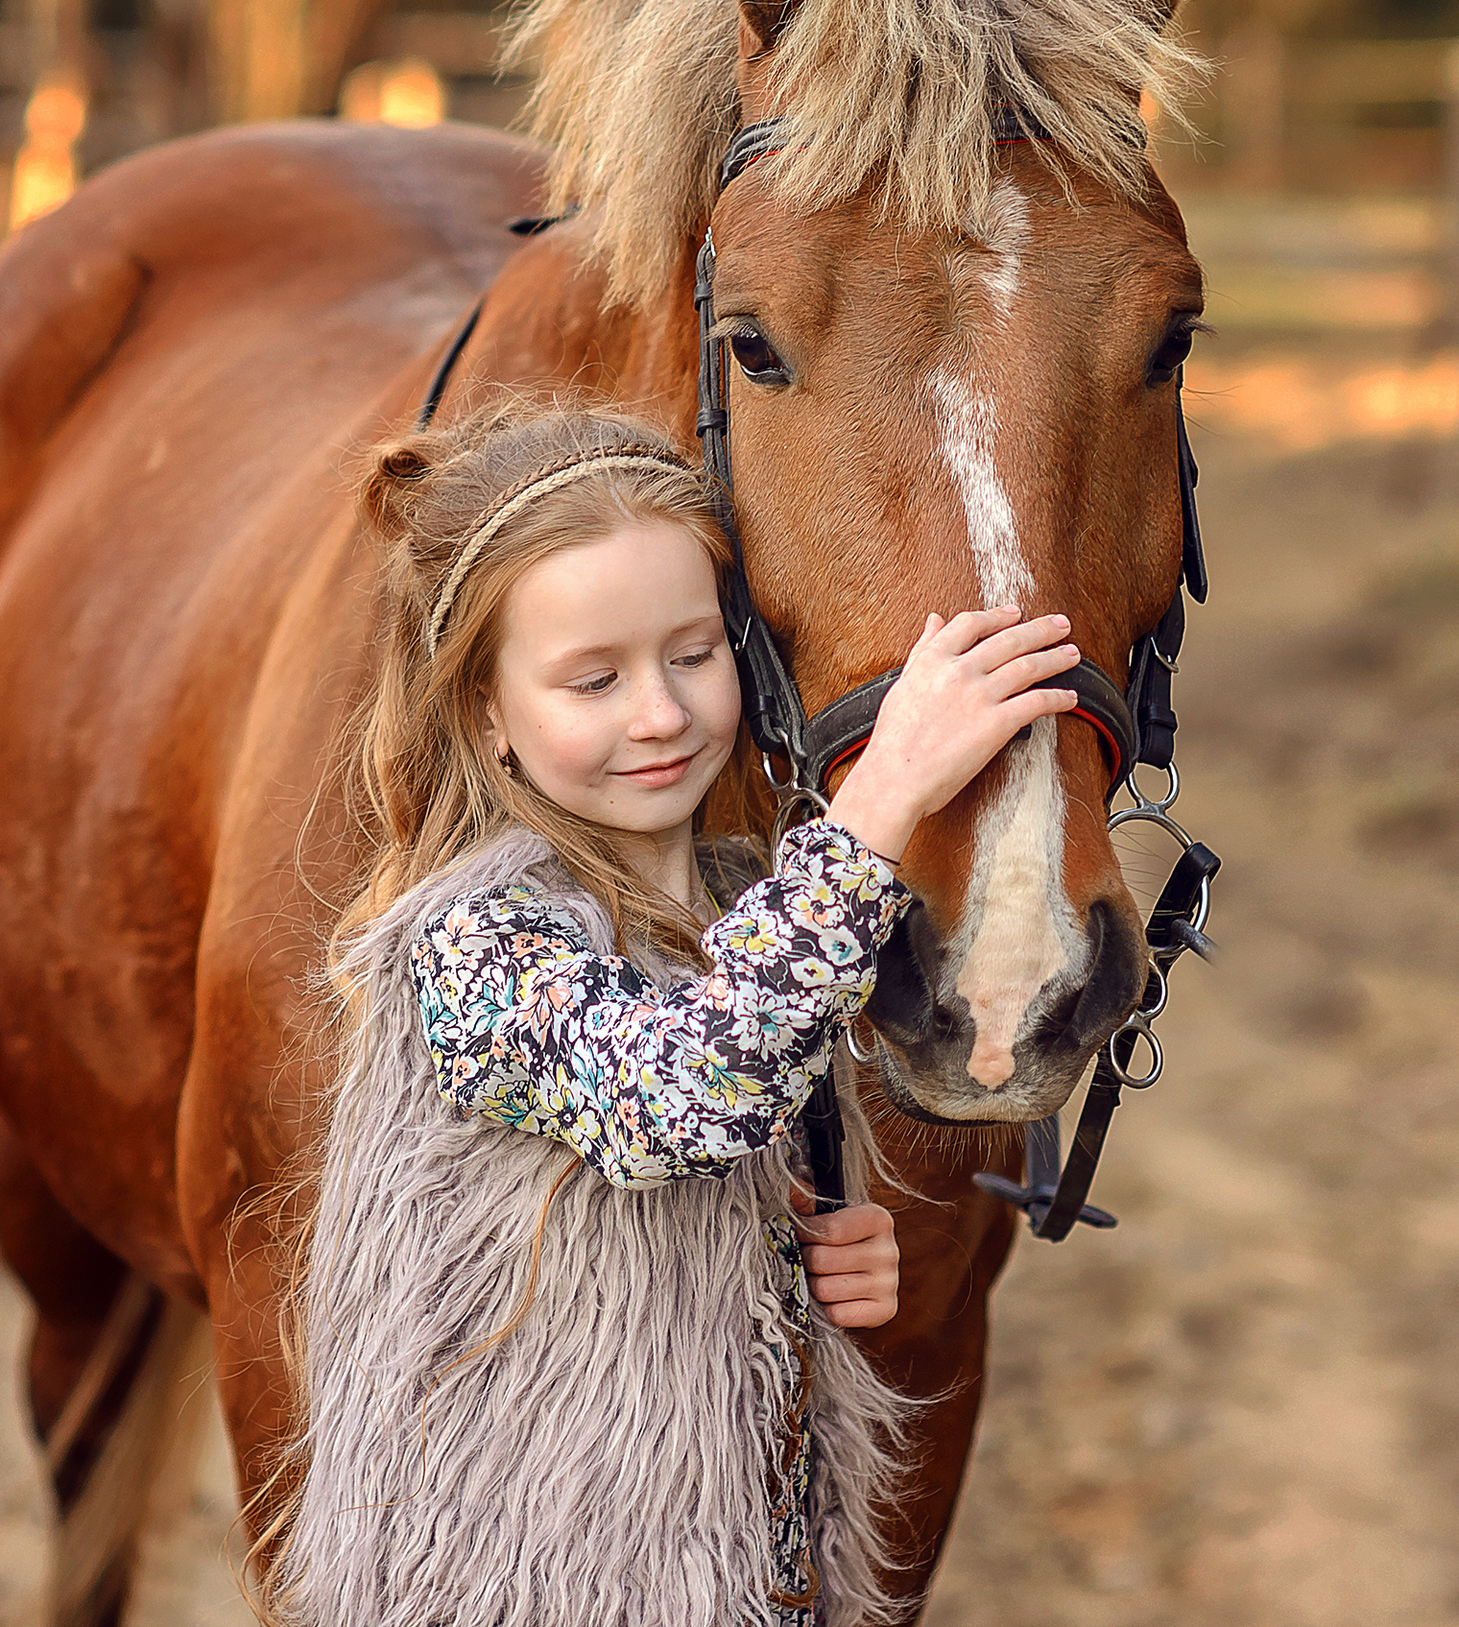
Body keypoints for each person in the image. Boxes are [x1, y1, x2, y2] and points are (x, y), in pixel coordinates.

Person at [274, 404, 1082, 1627]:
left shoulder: (749, 905)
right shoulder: (475, 941)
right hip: (521, 1579)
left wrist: (797, 1260)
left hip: (728, 1560)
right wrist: (889, 789)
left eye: (692, 655)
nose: (657, 714)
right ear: (486, 714)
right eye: (592, 679)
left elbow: (726, 1117)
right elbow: (683, 1097)